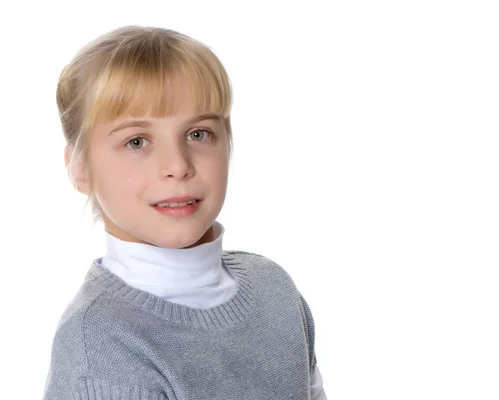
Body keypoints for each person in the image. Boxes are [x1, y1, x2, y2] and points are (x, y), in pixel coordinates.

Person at [42, 25, 327, 400]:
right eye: (137, 141)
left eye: (198, 134)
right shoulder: (99, 349)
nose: (177, 165)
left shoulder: (275, 289)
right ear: (80, 168)